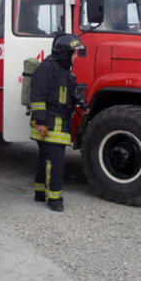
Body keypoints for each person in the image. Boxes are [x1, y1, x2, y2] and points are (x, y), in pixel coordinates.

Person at [30, 34, 88, 211]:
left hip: (58, 122)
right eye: (74, 53)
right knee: (53, 162)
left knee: (45, 160)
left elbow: (69, 93)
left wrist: (82, 103)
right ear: (64, 52)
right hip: (48, 124)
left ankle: (40, 193)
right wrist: (40, 122)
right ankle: (54, 199)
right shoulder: (47, 68)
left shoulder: (64, 70)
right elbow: (37, 95)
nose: (76, 57)